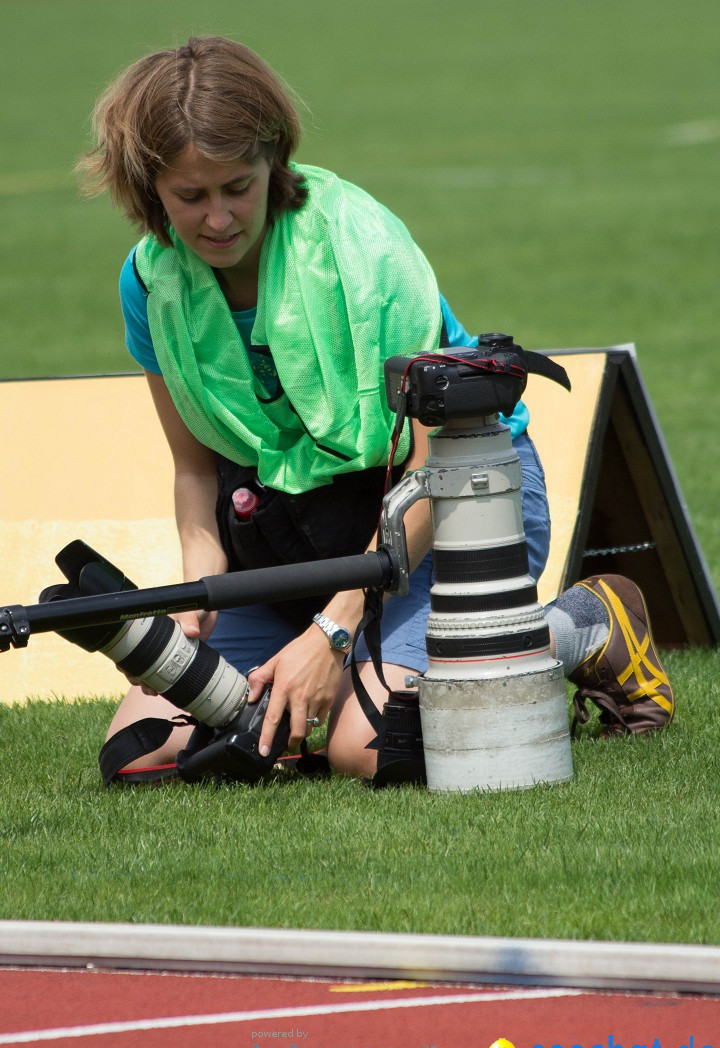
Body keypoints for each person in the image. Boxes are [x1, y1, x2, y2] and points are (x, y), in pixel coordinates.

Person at [78, 36, 674, 780]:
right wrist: (193, 606)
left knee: (366, 748)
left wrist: (332, 630)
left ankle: (577, 627)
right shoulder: (148, 282)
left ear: (274, 163)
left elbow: (431, 466)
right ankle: (360, 663)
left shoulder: (366, 253)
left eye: (239, 185)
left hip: (452, 508)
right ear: (149, 190)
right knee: (144, 756)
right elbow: (196, 472)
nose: (220, 218)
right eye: (190, 197)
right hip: (285, 530)